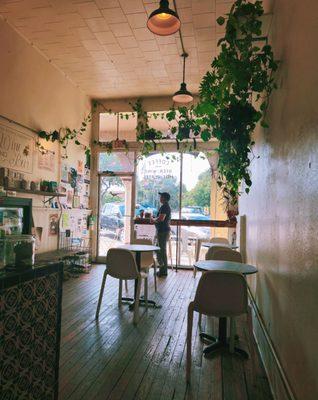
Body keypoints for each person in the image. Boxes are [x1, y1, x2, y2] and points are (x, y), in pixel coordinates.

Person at [152, 192, 171, 277]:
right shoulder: (165, 206)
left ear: (164, 198)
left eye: (161, 197)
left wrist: (153, 220)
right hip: (162, 231)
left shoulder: (164, 207)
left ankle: (163, 271)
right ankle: (162, 269)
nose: (160, 198)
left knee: (161, 251)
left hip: (163, 231)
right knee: (158, 249)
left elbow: (161, 218)